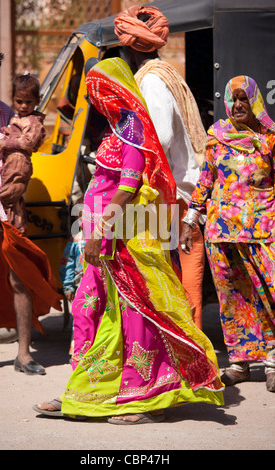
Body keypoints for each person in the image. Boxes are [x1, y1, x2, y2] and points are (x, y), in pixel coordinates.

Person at [33, 57, 223, 424]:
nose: (94, 98)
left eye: (97, 89)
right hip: (100, 234)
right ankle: (84, 389)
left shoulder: (134, 125)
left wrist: (100, 231)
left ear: (115, 88)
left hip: (123, 235)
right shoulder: (115, 127)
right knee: (91, 311)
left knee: (135, 315)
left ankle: (142, 397)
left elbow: (129, 185)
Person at [180, 75, 275, 392]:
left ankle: (273, 362)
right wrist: (191, 217)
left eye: (243, 99)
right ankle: (240, 364)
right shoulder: (216, 138)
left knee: (268, 296)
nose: (237, 106)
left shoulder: (270, 140)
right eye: (233, 100)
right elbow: (205, 181)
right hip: (220, 232)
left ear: (255, 103)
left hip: (263, 231)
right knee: (232, 298)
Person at [114, 5, 207, 330]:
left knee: (183, 282)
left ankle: (195, 358)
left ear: (128, 47)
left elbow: (160, 136)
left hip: (178, 197)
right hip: (179, 192)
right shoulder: (163, 73)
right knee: (175, 279)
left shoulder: (152, 81)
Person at [0, 42, 62, 375]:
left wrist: (22, 185)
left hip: (8, 208)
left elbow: (22, 158)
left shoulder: (8, 112)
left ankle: (23, 354)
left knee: (20, 278)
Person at [0, 73, 46, 233]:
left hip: (19, 162)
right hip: (12, 161)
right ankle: (15, 224)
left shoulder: (33, 121)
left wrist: (6, 142)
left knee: (7, 195)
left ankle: (15, 227)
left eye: (28, 102)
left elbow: (28, 141)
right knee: (10, 196)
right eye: (19, 101)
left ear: (37, 101)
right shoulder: (16, 117)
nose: (23, 106)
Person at [60, 225, 85, 354]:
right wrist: (68, 286)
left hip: (100, 286)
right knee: (80, 318)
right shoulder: (76, 239)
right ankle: (78, 351)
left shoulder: (104, 237)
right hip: (80, 286)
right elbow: (68, 264)